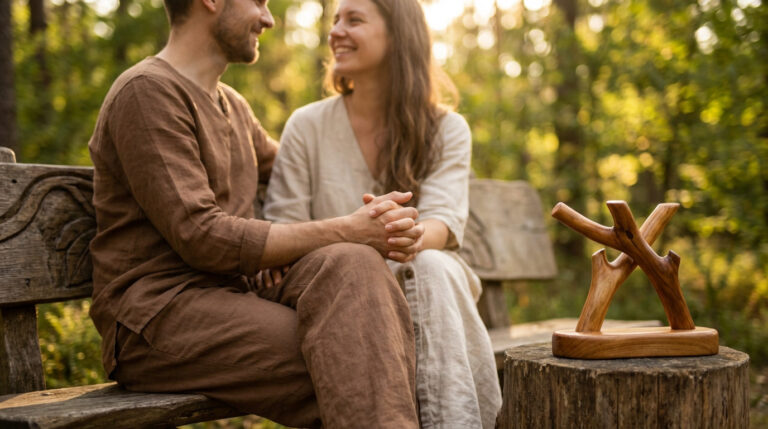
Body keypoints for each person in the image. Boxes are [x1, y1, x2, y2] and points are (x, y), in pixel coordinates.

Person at [87, 0, 424, 427]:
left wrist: (382, 220)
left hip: (232, 296)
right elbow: (202, 236)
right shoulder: (147, 92)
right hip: (157, 317)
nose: (268, 18)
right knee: (359, 356)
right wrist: (347, 228)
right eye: (260, 2)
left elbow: (298, 173)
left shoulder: (233, 106)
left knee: (354, 265)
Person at [262, 0, 503, 427]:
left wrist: (391, 234)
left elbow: (444, 225)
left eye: (354, 20)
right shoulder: (306, 126)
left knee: (429, 265)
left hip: (428, 288)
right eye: (336, 19)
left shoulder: (447, 129)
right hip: (339, 297)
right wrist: (361, 236)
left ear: (398, 35)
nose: (336, 31)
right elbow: (286, 226)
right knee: (420, 269)